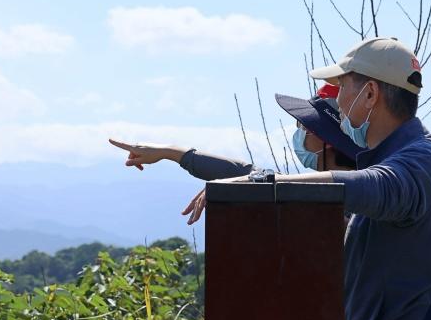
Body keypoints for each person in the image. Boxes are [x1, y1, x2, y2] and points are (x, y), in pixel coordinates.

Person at [196, 37, 431, 320]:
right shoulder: (394, 157)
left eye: (343, 86)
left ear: (370, 94)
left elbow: (372, 187)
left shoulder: (421, 159)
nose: (338, 100)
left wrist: (267, 186)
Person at [109, 84, 360, 223]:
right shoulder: (335, 194)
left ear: (330, 142)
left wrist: (247, 182)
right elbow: (251, 174)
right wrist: (170, 152)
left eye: (305, 126)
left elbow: (261, 180)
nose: (299, 132)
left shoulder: (356, 208)